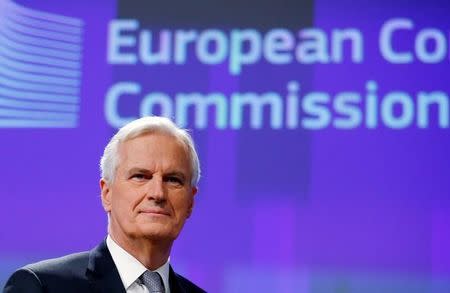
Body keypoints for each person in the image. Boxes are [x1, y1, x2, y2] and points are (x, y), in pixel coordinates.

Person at [3, 116, 206, 293]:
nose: (157, 193)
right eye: (140, 176)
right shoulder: (42, 286)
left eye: (173, 180)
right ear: (106, 193)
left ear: (190, 201)